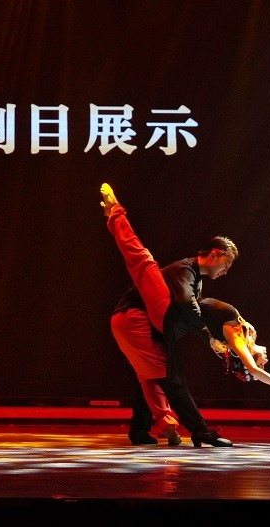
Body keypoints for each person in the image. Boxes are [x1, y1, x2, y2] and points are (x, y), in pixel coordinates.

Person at [100, 182, 237, 447]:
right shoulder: (184, 271)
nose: (227, 270)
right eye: (227, 263)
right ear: (214, 254)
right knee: (171, 378)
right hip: (134, 319)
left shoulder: (195, 279)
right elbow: (187, 304)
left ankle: (140, 430)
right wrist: (209, 337)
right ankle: (200, 431)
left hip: (134, 322)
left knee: (151, 374)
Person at [199, 298, 270, 390]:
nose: (266, 361)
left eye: (261, 365)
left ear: (250, 358)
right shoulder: (243, 333)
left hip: (190, 304)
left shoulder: (237, 338)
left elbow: (254, 370)